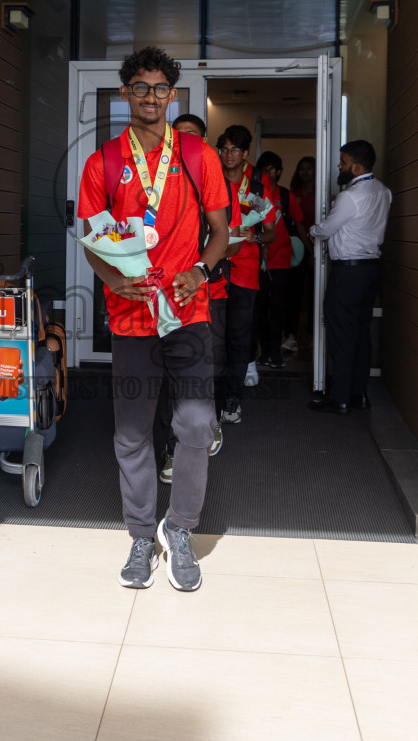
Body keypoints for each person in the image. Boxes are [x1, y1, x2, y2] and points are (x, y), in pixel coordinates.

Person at [78, 47, 230, 592]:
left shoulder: (197, 156)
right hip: (130, 315)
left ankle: (179, 528)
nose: (149, 97)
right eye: (139, 87)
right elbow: (92, 241)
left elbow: (220, 233)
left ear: (173, 95)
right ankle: (142, 534)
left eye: (160, 88)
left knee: (193, 424)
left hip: (188, 312)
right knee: (132, 431)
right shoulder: (103, 163)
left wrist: (199, 271)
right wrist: (112, 279)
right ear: (125, 94)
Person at [156, 112, 226, 483]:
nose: (183, 144)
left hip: (201, 291)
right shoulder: (155, 183)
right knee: (168, 380)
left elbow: (223, 235)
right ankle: (171, 446)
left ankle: (204, 423)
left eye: (193, 138)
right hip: (157, 299)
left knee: (200, 369)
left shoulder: (205, 178)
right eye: (178, 136)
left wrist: (202, 269)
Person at [309, 140, 391, 414]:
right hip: (371, 269)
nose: (338, 166)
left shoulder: (350, 196)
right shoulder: (384, 192)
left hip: (348, 272)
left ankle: (340, 398)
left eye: (342, 161)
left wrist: (313, 230)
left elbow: (326, 229)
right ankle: (359, 394)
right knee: (361, 334)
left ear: (356, 167)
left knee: (341, 334)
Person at [216, 125, 277, 424]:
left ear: (245, 153)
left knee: (239, 340)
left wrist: (251, 237)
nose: (229, 155)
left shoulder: (256, 186)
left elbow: (271, 233)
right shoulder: (210, 180)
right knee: (213, 339)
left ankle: (231, 401)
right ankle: (207, 401)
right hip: (213, 270)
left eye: (235, 150)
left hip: (244, 273)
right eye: (224, 149)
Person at [253, 151, 299, 371]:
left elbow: (299, 224)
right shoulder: (254, 195)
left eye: (271, 169)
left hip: (281, 261)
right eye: (263, 169)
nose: (267, 173)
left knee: (279, 309)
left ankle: (275, 352)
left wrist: (310, 255)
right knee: (259, 308)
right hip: (258, 262)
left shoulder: (286, 196)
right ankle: (264, 351)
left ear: (279, 172)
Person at [284, 155, 317, 353]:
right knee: (293, 294)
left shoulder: (321, 193)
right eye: (301, 168)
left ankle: (314, 335)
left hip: (317, 247)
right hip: (297, 248)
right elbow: (295, 224)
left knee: (316, 294)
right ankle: (291, 336)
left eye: (309, 168)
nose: (305, 172)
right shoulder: (292, 195)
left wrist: (315, 252)